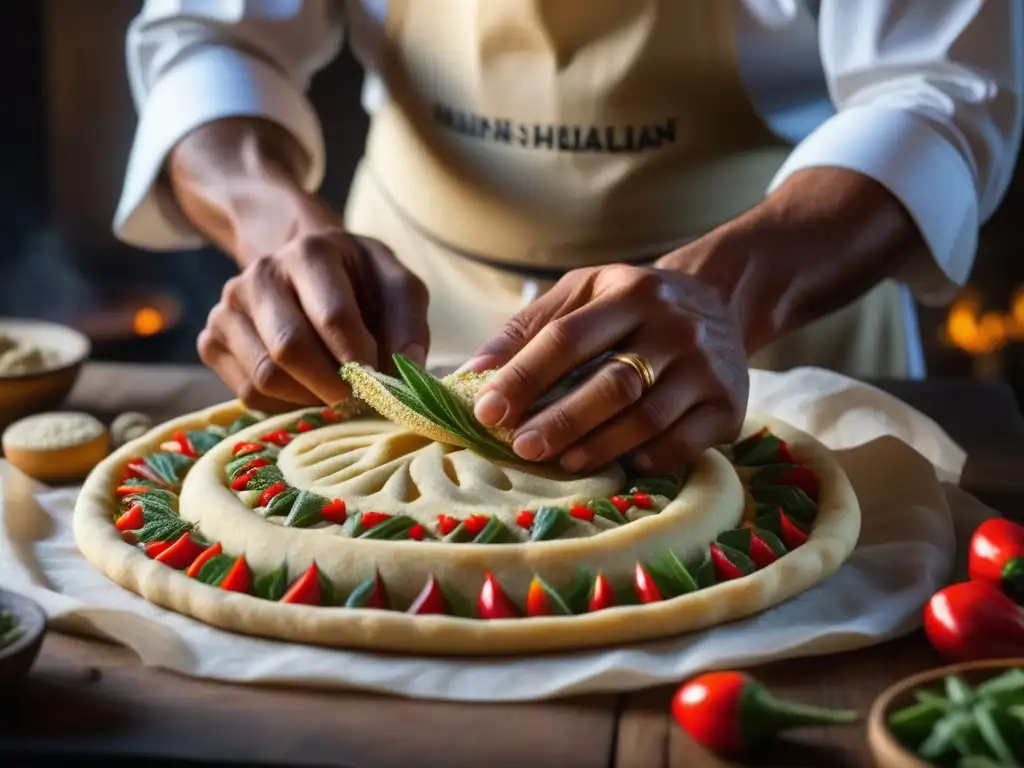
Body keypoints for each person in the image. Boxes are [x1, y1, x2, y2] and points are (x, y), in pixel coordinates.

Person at [114, 0, 1022, 475]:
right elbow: (205, 35)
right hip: (405, 325)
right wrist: (280, 231)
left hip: (758, 339)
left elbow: (940, 93)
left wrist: (719, 299)